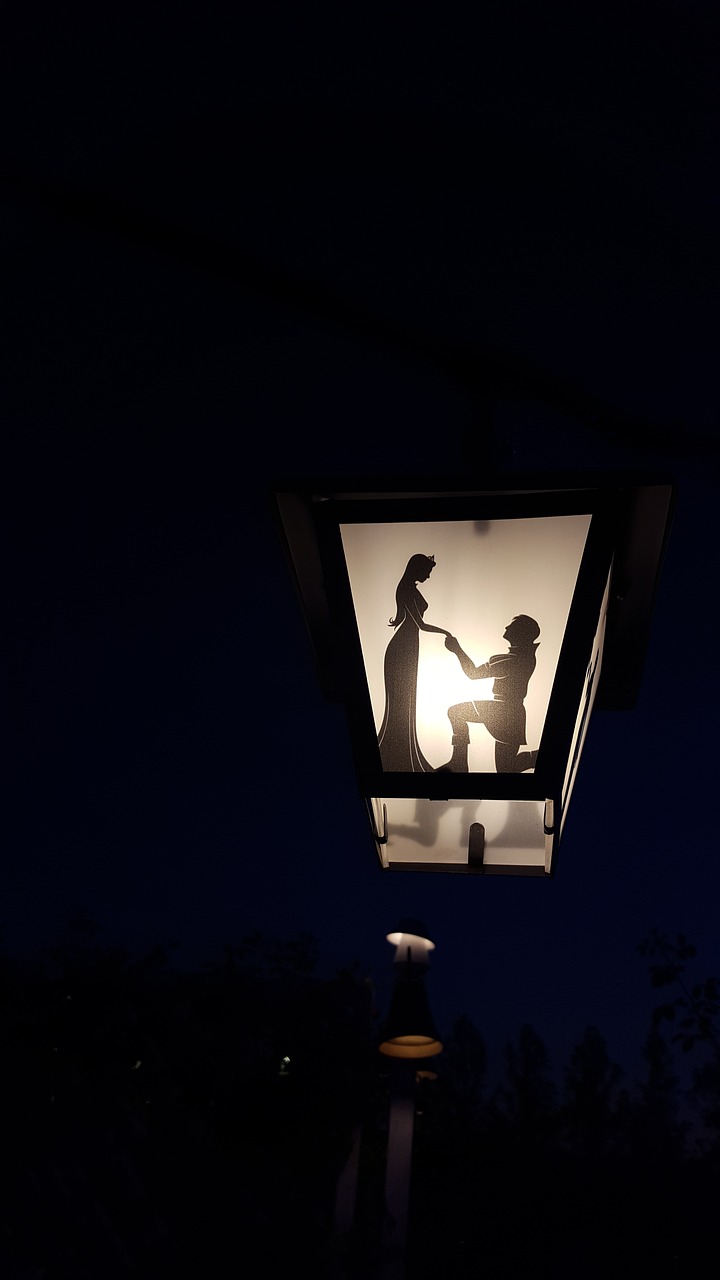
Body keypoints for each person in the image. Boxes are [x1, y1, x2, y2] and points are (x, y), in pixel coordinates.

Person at [437, 615, 540, 773]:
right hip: (511, 712)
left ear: (521, 632)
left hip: (503, 710)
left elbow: (473, 673)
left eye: (512, 626)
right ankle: (537, 757)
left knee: (456, 712)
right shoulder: (522, 658)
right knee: (507, 769)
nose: (506, 627)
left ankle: (459, 761)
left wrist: (457, 650)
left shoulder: (514, 661)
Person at [377, 554, 451, 772]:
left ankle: (406, 755)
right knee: (399, 703)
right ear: (417, 569)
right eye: (427, 571)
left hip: (410, 646)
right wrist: (446, 632)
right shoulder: (406, 589)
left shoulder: (410, 588)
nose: (429, 576)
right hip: (402, 648)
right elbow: (420, 624)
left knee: (407, 701)